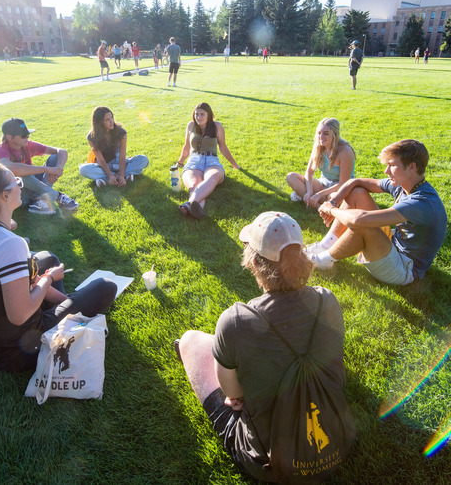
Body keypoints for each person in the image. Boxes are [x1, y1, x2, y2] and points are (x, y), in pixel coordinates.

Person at [176, 211, 347, 482]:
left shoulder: (236, 320)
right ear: (302, 256)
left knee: (191, 341)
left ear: (254, 261)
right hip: (335, 444)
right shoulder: (328, 301)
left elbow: (233, 394)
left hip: (269, 461)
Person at [0, 162, 117, 372]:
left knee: (47, 258)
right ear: (3, 196)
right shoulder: (9, 245)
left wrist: (40, 282)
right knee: (106, 286)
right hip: (16, 351)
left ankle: (65, 306)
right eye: (16, 182)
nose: (20, 186)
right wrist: (47, 280)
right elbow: (19, 315)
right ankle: (68, 311)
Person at [307, 139, 447, 285]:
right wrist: (334, 200)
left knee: (365, 225)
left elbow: (358, 220)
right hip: (393, 244)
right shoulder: (405, 185)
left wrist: (331, 209)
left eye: (392, 165)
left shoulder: (421, 203)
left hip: (405, 270)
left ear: (412, 166)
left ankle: (321, 260)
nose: (386, 171)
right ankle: (325, 245)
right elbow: (356, 182)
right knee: (357, 192)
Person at [0, 118, 78, 215]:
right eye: (24, 135)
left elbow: (62, 151)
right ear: (9, 137)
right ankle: (57, 196)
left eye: (28, 133)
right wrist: (48, 170)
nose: (27, 136)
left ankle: (38, 201)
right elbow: (11, 168)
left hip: (31, 185)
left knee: (55, 157)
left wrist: (58, 168)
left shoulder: (27, 145)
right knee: (18, 174)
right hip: (16, 195)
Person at [176, 102, 239, 218]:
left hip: (212, 161)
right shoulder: (191, 125)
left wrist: (235, 164)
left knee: (214, 177)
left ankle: (188, 205)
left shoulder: (217, 126)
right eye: (196, 114)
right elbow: (186, 146)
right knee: (195, 185)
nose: (198, 117)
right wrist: (180, 162)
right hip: (194, 160)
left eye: (202, 114)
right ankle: (194, 210)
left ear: (209, 115)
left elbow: (223, 147)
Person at [286, 118, 355, 208]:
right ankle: (319, 208)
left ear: (335, 134)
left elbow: (343, 183)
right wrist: (309, 190)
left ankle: (314, 200)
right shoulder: (318, 147)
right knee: (291, 177)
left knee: (333, 197)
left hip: (340, 189)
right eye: (319, 133)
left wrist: (318, 194)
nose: (321, 137)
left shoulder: (345, 151)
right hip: (323, 184)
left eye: (325, 133)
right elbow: (309, 172)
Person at [79, 106, 149, 188]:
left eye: (111, 117)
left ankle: (108, 179)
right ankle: (119, 177)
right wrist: (110, 175)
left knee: (143, 160)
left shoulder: (121, 132)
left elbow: (122, 156)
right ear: (99, 122)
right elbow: (101, 160)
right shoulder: (91, 137)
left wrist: (121, 175)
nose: (111, 121)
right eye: (107, 120)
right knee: (83, 170)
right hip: (104, 166)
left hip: (119, 163)